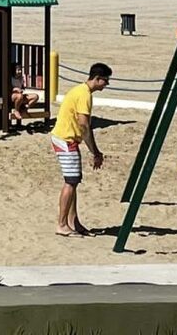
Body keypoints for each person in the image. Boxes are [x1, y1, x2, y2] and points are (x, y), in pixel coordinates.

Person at [51, 61, 112, 237]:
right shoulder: (84, 94)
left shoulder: (80, 91)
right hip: (66, 139)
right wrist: (95, 152)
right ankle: (61, 224)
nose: (106, 85)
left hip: (66, 138)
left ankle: (73, 222)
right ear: (97, 79)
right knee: (70, 182)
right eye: (105, 81)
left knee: (74, 181)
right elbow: (84, 125)